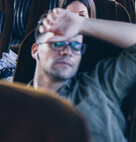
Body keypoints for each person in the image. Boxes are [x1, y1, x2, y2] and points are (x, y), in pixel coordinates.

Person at [30, 8, 136, 142]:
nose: (67, 52)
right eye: (58, 43)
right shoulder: (15, 105)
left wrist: (82, 24)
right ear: (36, 51)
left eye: (75, 46)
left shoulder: (101, 85)